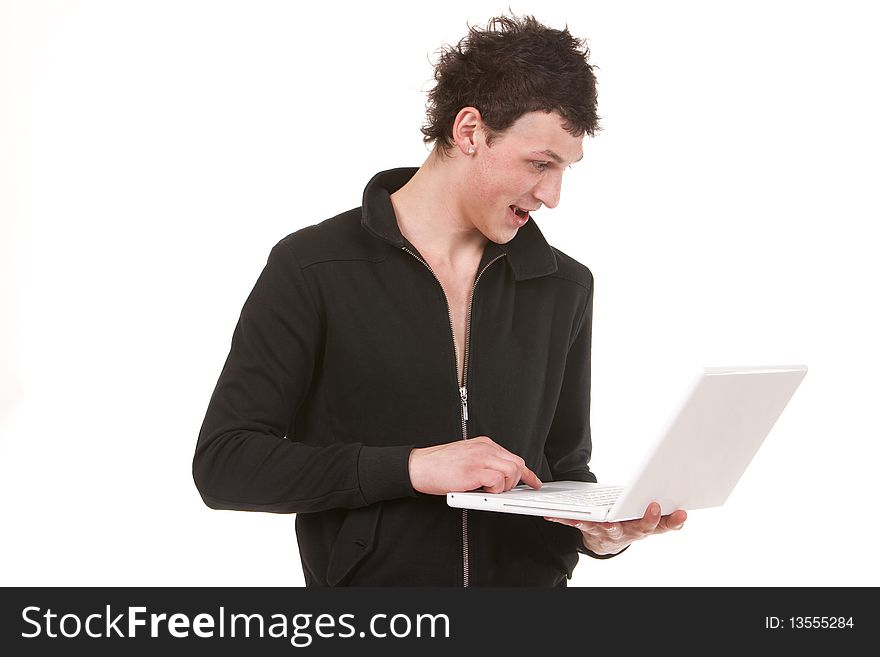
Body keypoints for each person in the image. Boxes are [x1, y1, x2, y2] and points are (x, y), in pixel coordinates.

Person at [192, 14, 687, 586]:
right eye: (539, 163)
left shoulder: (562, 285)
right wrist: (411, 467)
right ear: (470, 130)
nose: (552, 195)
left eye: (564, 170)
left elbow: (563, 467)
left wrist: (598, 530)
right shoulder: (313, 268)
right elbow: (225, 463)